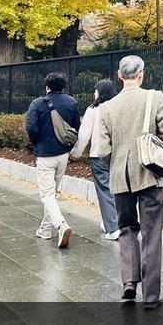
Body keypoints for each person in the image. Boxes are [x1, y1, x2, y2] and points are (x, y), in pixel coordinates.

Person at [97, 55, 163, 309]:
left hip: (121, 178)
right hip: (149, 175)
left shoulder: (107, 107)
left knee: (127, 229)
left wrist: (121, 157)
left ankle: (129, 282)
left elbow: (103, 151)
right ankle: (151, 296)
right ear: (141, 74)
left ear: (120, 76)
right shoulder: (155, 98)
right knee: (152, 234)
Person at [25, 72, 81, 249]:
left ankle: (61, 225)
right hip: (63, 154)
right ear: (63, 86)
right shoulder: (71, 102)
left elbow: (31, 128)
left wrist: (37, 144)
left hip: (45, 154)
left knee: (47, 195)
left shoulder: (37, 104)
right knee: (52, 194)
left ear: (47, 87)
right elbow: (75, 126)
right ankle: (45, 229)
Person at [70, 79, 119, 240]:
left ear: (101, 92)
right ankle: (116, 222)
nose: (94, 93)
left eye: (96, 90)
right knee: (119, 190)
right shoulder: (118, 107)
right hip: (118, 155)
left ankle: (112, 227)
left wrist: (76, 154)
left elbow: (84, 135)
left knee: (104, 191)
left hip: (98, 155)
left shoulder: (93, 110)